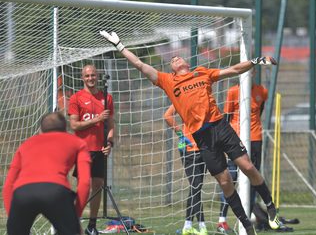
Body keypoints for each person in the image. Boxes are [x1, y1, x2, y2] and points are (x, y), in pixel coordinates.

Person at [100, 30, 284, 235]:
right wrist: (120, 46)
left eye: (178, 56)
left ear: (186, 63)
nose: (175, 58)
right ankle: (246, 225)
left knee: (247, 166)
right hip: (202, 138)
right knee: (224, 182)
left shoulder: (202, 72)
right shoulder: (167, 81)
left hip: (220, 127)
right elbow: (140, 65)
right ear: (171, 68)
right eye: (172, 59)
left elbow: (232, 70)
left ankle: (270, 206)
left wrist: (255, 61)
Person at [2, 112, 91, 235]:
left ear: (41, 130)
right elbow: (85, 182)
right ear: (65, 129)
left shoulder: (26, 144)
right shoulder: (78, 142)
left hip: (22, 193)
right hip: (56, 191)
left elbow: (8, 186)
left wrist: (13, 216)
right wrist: (75, 216)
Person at [68, 64, 115, 235]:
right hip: (82, 150)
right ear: (82, 78)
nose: (90, 79)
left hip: (100, 150)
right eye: (87, 76)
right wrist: (96, 119)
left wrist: (110, 144)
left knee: (98, 186)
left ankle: (92, 226)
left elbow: (110, 124)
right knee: (83, 187)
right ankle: (72, 223)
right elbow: (74, 125)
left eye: (93, 75)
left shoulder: (106, 98)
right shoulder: (76, 98)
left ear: (97, 76)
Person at [218, 79, 268, 233]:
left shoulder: (262, 91)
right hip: (236, 140)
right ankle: (222, 220)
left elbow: (260, 111)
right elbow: (227, 117)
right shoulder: (233, 91)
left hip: (256, 139)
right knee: (230, 178)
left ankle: (252, 215)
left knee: (254, 178)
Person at [164, 104, 208, 235]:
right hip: (189, 150)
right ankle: (202, 226)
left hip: (204, 149)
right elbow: (167, 116)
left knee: (196, 188)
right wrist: (181, 135)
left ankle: (187, 226)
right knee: (196, 186)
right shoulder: (181, 97)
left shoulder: (204, 97)